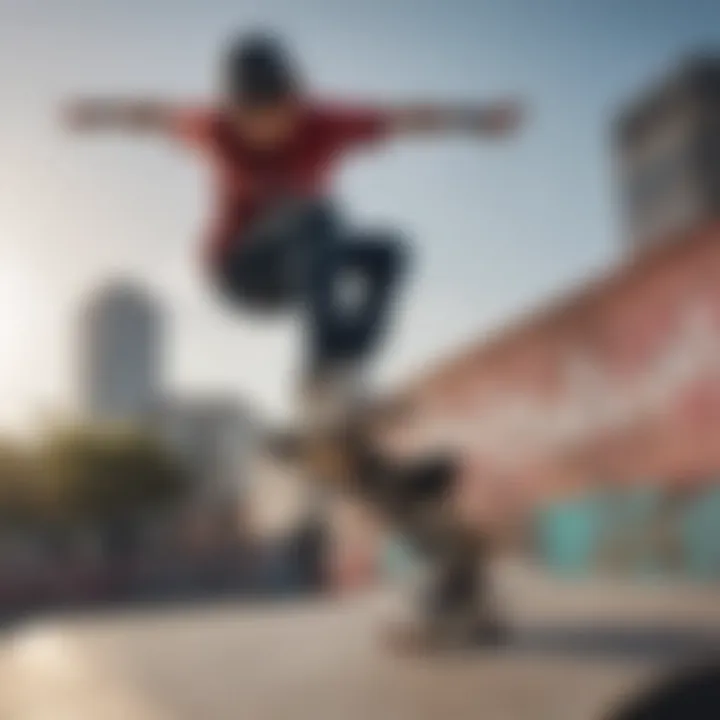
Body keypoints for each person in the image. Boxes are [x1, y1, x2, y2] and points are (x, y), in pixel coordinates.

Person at [64, 31, 523, 425]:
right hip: (239, 272)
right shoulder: (212, 128)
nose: (270, 128)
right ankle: (320, 379)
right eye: (255, 118)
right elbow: (151, 115)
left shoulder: (322, 123)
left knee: (390, 251)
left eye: (280, 112)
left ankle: (347, 373)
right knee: (315, 216)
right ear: (235, 111)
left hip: (304, 268)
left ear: (294, 98)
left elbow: (403, 119)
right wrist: (93, 113)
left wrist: (478, 119)